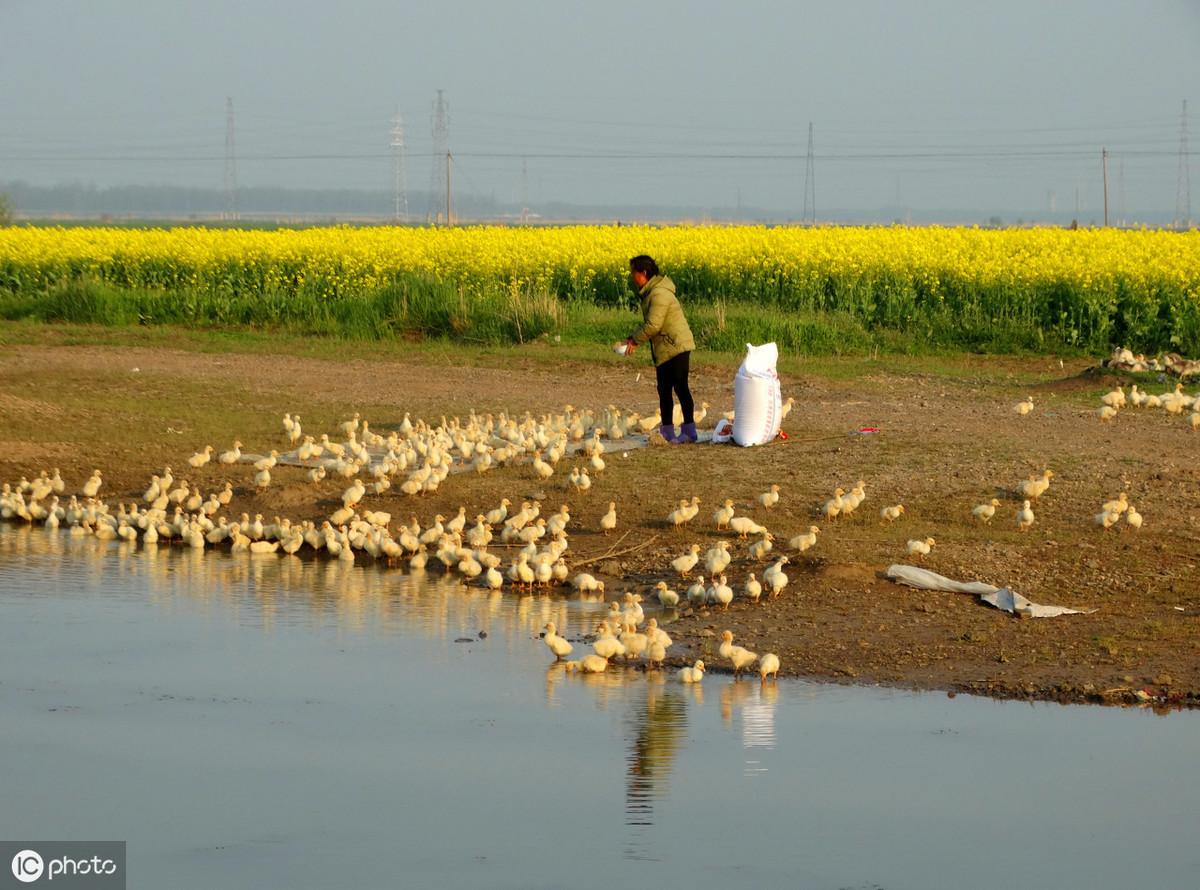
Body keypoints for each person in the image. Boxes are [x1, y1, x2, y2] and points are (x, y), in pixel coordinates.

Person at [624, 255, 697, 443]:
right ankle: (667, 432)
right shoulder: (651, 292)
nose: (633, 276)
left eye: (634, 272)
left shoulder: (659, 294)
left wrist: (634, 340)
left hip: (676, 345)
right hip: (665, 347)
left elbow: (653, 325)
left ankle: (689, 431)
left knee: (681, 387)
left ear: (644, 273)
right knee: (663, 389)